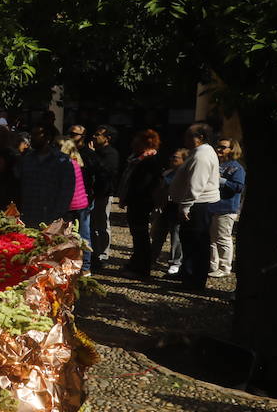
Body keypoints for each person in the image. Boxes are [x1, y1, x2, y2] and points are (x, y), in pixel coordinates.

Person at [168, 122, 220, 290]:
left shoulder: (202, 156)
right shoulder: (198, 153)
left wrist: (185, 206)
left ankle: (193, 281)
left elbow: (196, 183)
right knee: (189, 241)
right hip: (196, 204)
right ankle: (187, 273)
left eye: (189, 135)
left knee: (196, 243)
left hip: (198, 205)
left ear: (201, 138)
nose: (185, 138)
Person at [120, 130, 164, 276]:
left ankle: (141, 268)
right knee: (137, 235)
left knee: (141, 235)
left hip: (141, 203)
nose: (133, 143)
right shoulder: (138, 159)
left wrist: (132, 197)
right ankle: (136, 263)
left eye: (136, 141)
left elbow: (144, 185)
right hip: (136, 201)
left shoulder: (150, 161)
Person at [16, 128, 75, 228]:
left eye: (36, 135)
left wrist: (57, 216)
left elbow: (67, 191)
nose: (32, 138)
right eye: (32, 135)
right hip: (27, 215)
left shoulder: (62, 161)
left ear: (48, 138)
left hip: (50, 217)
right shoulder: (26, 159)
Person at [84, 125, 121, 272]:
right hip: (92, 193)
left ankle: (103, 253)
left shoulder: (111, 154)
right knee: (92, 225)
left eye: (98, 135)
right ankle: (94, 251)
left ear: (107, 138)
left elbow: (106, 172)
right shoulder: (94, 152)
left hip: (103, 193)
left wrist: (93, 156)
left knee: (102, 224)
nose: (94, 137)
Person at [207, 138, 245, 278]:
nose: (219, 149)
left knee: (223, 238)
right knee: (211, 238)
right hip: (212, 206)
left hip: (226, 208)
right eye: (218, 146)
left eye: (223, 147)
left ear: (232, 149)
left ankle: (224, 267)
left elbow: (239, 187)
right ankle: (212, 265)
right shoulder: (216, 164)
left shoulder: (236, 167)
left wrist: (220, 180)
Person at [58, 136, 92, 272]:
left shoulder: (64, 164)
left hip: (70, 205)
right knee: (84, 236)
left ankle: (69, 265)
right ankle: (86, 266)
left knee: (66, 236)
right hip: (82, 203)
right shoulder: (77, 162)